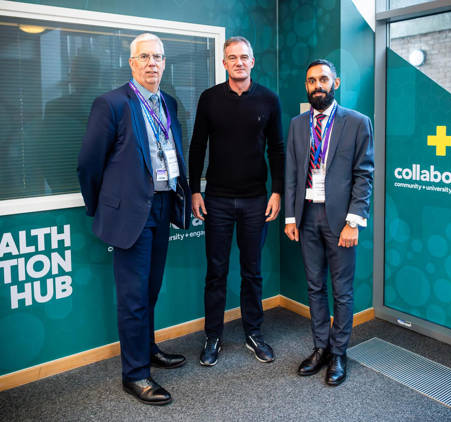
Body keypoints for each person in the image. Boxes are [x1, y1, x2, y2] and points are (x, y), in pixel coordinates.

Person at [78, 33, 191, 405]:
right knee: (132, 297)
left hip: (162, 205)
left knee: (151, 289)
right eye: (144, 56)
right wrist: (105, 207)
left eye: (158, 56)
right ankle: (135, 374)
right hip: (131, 214)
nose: (152, 63)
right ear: (131, 63)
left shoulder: (169, 103)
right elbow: (89, 165)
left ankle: (148, 348)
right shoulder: (111, 104)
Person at [189, 36, 284, 366]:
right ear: (224, 63)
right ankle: (212, 336)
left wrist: (278, 191)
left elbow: (277, 149)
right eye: (232, 57)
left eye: (244, 56)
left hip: (256, 200)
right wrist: (194, 190)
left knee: (252, 272)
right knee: (215, 272)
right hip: (216, 200)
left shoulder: (269, 100)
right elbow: (197, 146)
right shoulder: (209, 99)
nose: (239, 62)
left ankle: (253, 334)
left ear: (252, 61)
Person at [284, 59, 374, 386]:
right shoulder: (297, 124)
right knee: (314, 286)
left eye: (323, 79)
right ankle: (320, 347)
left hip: (340, 220)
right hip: (307, 215)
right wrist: (291, 217)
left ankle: (339, 353)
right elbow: (292, 173)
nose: (317, 85)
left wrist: (354, 222)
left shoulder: (357, 122)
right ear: (306, 86)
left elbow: (364, 175)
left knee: (343, 291)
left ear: (335, 83)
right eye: (311, 81)